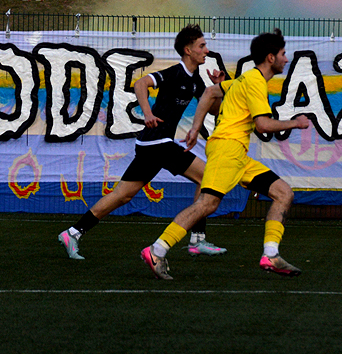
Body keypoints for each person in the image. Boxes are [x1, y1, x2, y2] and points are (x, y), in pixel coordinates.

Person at [141, 28, 310, 280]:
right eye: (283, 54)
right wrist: (295, 123)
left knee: (283, 193)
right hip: (226, 150)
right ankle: (157, 249)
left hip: (237, 154)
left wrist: (196, 127)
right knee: (207, 203)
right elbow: (263, 125)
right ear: (270, 58)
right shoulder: (254, 82)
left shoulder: (246, 78)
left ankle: (271, 254)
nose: (287, 59)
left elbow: (210, 92)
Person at [58, 25, 228, 260]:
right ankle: (197, 239)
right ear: (188, 50)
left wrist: (217, 87)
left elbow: (216, 109)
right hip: (159, 142)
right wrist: (147, 114)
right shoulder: (174, 73)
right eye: (202, 46)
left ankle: (73, 232)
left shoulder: (195, 81)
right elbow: (140, 84)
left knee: (123, 195)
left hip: (152, 145)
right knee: (208, 176)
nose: (206, 51)